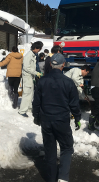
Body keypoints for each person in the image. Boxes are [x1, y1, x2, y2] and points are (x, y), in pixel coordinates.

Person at [32, 53, 81, 182]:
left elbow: (36, 102)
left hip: (46, 120)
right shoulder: (68, 82)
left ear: (50, 64)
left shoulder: (42, 81)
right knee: (66, 147)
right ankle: (63, 177)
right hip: (62, 120)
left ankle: (51, 178)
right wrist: (77, 118)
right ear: (63, 65)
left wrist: (36, 117)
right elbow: (74, 104)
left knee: (50, 150)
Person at [18, 41, 43, 117]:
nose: (39, 50)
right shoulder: (29, 55)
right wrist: (36, 73)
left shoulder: (34, 55)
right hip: (27, 77)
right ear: (35, 48)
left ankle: (29, 108)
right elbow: (26, 67)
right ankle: (22, 110)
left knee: (31, 93)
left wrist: (35, 74)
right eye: (39, 49)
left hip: (31, 77)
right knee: (26, 93)